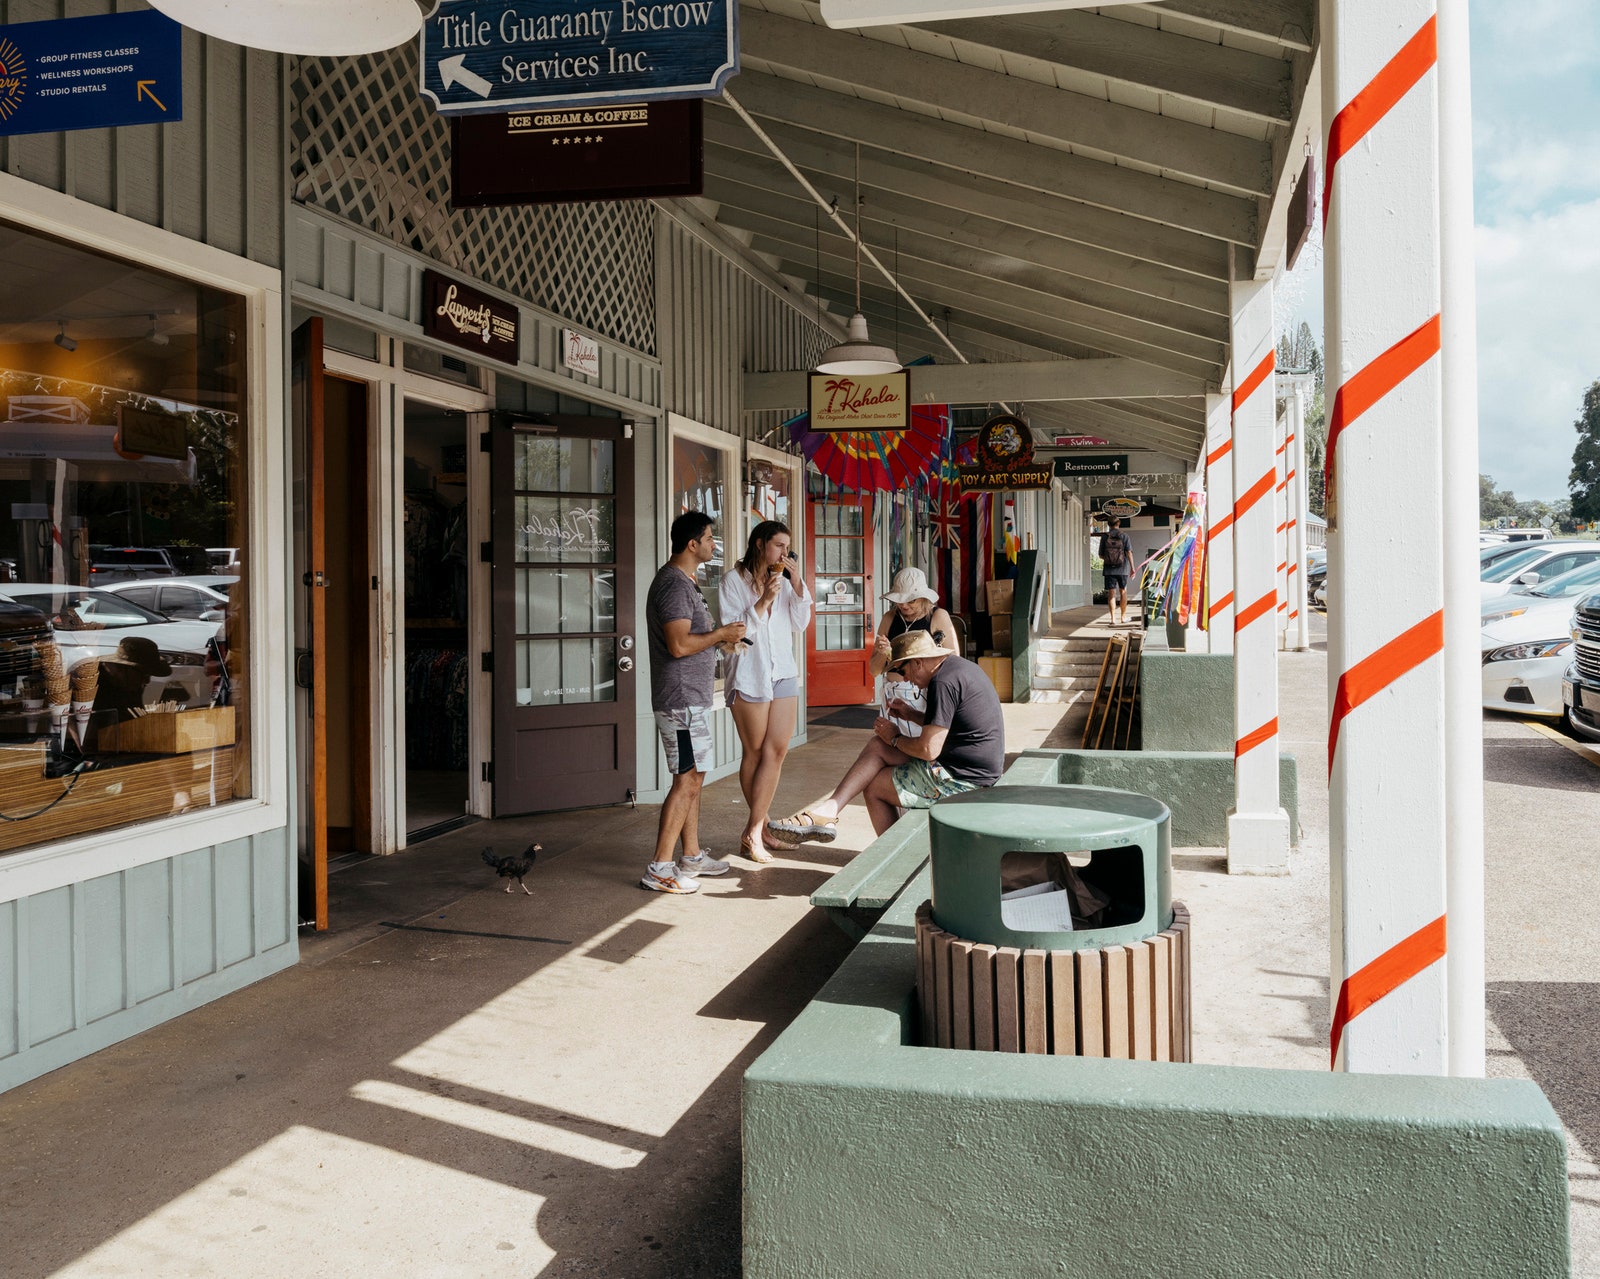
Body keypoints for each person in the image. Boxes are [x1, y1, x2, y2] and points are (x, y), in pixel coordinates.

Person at [767, 630, 1003, 843]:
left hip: (964, 780)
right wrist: (911, 715)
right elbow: (953, 726)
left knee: (875, 787)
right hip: (965, 765)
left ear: (918, 662)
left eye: (902, 670)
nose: (905, 678)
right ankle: (828, 811)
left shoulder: (943, 682)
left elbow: (928, 750)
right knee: (877, 746)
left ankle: (894, 856)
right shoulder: (956, 668)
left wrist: (895, 737)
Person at [640, 511, 748, 894]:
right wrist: (720, 632)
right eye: (710, 537)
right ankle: (660, 867)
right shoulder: (673, 585)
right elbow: (679, 644)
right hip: (680, 700)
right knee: (687, 778)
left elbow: (691, 639)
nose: (714, 544)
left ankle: (691, 855)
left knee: (694, 777)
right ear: (692, 544)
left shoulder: (686, 582)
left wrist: (721, 641)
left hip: (691, 698)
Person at [720, 520, 812, 863]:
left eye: (788, 548)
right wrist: (764, 600)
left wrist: (797, 582)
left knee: (778, 750)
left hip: (783, 671)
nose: (785, 554)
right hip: (749, 674)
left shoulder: (787, 580)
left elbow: (800, 623)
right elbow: (735, 633)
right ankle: (761, 831)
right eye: (779, 546)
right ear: (760, 544)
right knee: (756, 752)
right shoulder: (733, 581)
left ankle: (755, 830)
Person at [869, 566, 955, 739]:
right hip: (892, 694)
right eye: (899, 600)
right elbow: (874, 670)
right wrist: (882, 652)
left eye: (911, 600)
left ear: (923, 597)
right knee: (888, 744)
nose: (904, 605)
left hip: (925, 693)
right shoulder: (890, 618)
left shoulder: (937, 616)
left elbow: (954, 663)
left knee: (921, 746)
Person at [1099, 517, 1134, 625]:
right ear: (1118, 523)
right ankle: (1123, 617)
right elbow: (1129, 553)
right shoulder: (1124, 536)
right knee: (1123, 591)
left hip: (1109, 569)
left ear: (1108, 524)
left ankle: (1113, 619)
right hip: (1122, 569)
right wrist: (1132, 568)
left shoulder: (1105, 537)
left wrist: (1110, 559)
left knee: (1111, 593)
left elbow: (1101, 555)